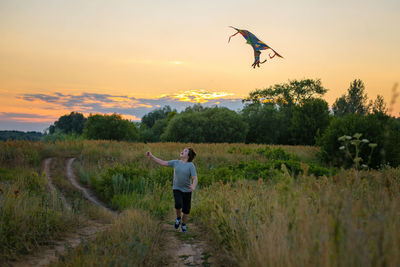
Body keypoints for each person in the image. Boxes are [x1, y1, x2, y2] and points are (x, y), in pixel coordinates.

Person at [146, 148, 197, 233]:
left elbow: (195, 178)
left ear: (188, 155)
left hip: (187, 191)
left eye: (185, 151)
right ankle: (178, 218)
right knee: (178, 204)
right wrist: (151, 156)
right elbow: (162, 162)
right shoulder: (176, 162)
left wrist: (193, 186)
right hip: (177, 189)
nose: (182, 151)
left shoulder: (190, 165)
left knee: (186, 210)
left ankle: (183, 225)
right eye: (183, 150)